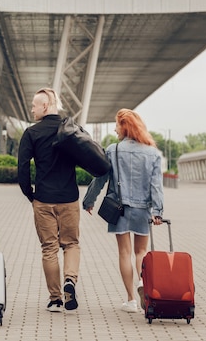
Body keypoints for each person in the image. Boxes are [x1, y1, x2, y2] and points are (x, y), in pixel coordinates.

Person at [82, 108, 164, 313]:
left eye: (117, 125)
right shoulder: (152, 153)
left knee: (124, 253)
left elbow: (100, 179)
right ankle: (143, 282)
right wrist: (158, 211)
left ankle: (131, 300)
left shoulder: (113, 150)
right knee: (141, 252)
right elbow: (156, 186)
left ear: (125, 126)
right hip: (143, 209)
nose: (115, 128)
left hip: (119, 209)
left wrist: (89, 201)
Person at [17, 87, 80, 312]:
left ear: (45, 106)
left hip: (43, 198)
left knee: (49, 248)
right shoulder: (71, 129)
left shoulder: (32, 133)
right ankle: (70, 281)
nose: (32, 109)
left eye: (34, 105)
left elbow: (22, 168)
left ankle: (55, 299)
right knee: (71, 243)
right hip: (69, 197)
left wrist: (30, 194)